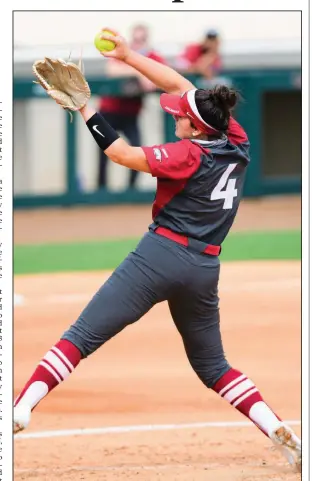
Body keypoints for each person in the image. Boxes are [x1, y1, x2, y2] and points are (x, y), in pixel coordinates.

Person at [14, 27, 301, 471]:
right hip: (205, 269)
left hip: (159, 257)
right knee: (214, 367)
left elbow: (123, 155)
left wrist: (85, 108)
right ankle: (278, 428)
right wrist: (129, 56)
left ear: (194, 126)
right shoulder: (234, 140)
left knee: (80, 337)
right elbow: (182, 88)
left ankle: (20, 408)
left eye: (179, 118)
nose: (175, 117)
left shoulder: (187, 154)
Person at [97, 24, 165, 189]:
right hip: (109, 112)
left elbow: (163, 73)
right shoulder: (122, 52)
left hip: (131, 115)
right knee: (105, 152)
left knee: (137, 149)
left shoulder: (151, 56)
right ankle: (101, 191)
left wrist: (147, 74)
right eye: (136, 39)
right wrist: (139, 72)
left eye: (142, 40)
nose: (138, 43)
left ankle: (130, 189)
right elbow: (112, 70)